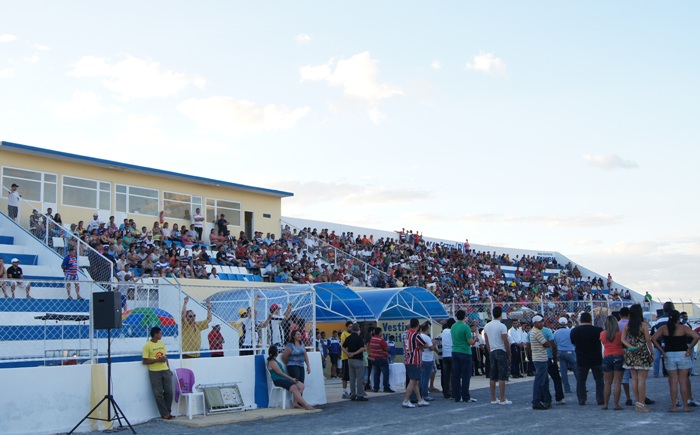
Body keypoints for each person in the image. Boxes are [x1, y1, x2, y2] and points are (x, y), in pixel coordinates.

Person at [651, 310, 699, 412]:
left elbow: (654, 339)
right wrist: (689, 349)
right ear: (679, 318)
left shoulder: (664, 328)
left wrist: (662, 351)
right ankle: (686, 406)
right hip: (682, 354)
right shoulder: (683, 328)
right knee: (683, 381)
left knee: (673, 382)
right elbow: (696, 336)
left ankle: (674, 406)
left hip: (669, 355)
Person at [621, 304, 654, 413]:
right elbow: (648, 340)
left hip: (631, 354)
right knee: (642, 380)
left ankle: (637, 403)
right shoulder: (643, 325)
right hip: (642, 352)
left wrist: (630, 347)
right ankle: (641, 403)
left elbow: (623, 339)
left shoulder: (627, 326)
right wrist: (652, 352)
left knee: (634, 379)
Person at [570, 311, 604, 406]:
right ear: (590, 320)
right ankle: (600, 398)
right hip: (596, 358)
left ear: (580, 320)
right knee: (599, 380)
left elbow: (573, 342)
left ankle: (581, 399)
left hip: (581, 358)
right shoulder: (598, 330)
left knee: (581, 380)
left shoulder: (574, 331)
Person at [266, 345, 315, 410]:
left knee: (301, 386)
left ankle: (295, 402)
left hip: (283, 379)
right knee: (294, 387)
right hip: (278, 380)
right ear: (276, 353)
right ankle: (305, 405)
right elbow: (280, 373)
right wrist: (291, 379)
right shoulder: (272, 362)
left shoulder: (275, 361)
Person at [142, 326, 174, 420]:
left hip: (165, 370)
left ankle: (168, 411)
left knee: (169, 391)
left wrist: (168, 369)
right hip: (154, 371)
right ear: (155, 334)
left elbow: (165, 357)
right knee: (158, 393)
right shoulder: (147, 346)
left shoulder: (162, 343)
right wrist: (157, 360)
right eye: (160, 333)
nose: (161, 335)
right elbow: (145, 361)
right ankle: (164, 413)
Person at [483, 306, 511, 405]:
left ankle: (493, 398)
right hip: (501, 350)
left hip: (492, 350)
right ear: (500, 314)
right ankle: (502, 398)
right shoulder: (502, 326)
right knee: (502, 376)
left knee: (493, 375)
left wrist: (489, 349)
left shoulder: (487, 326)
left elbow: (486, 340)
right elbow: (505, 341)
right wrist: (509, 353)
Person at [402, 318, 429, 408]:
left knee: (415, 381)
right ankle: (406, 400)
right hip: (415, 360)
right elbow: (425, 344)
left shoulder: (407, 334)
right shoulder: (415, 335)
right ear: (417, 326)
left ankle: (419, 399)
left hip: (409, 359)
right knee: (413, 381)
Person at [451, 309, 476, 403]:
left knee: (456, 375)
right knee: (466, 376)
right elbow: (469, 341)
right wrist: (474, 340)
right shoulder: (466, 327)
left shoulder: (453, 326)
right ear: (464, 317)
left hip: (455, 351)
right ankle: (466, 396)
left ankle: (457, 396)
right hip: (465, 351)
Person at [600, 315, 625, 410]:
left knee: (607, 382)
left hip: (607, 357)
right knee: (617, 382)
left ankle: (605, 404)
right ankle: (616, 404)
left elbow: (604, 343)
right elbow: (623, 344)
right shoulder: (620, 334)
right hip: (618, 356)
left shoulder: (602, 334)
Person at [529, 315, 551, 410]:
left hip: (539, 358)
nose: (541, 323)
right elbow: (546, 344)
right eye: (539, 322)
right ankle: (536, 401)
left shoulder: (534, 332)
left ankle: (543, 399)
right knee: (540, 381)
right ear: (534, 323)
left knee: (543, 380)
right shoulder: (537, 332)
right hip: (540, 358)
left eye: (542, 321)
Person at [342, 323, 367, 402]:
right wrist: (355, 353)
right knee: (359, 378)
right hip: (358, 359)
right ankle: (360, 394)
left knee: (352, 378)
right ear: (358, 329)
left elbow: (342, 346)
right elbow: (362, 348)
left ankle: (353, 394)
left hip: (349, 360)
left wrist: (348, 353)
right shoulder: (359, 338)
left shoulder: (348, 338)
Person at [553, 317, 577, 394]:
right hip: (570, 351)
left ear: (559, 323)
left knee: (563, 372)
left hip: (560, 352)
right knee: (576, 370)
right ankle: (581, 386)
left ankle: (567, 389)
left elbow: (555, 343)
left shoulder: (556, 333)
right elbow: (574, 342)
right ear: (566, 323)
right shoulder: (570, 331)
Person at [369, 327, 393, 392]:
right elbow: (387, 348)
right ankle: (386, 387)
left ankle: (376, 387)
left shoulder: (372, 339)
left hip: (374, 358)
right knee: (385, 374)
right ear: (379, 332)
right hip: (382, 358)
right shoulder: (381, 340)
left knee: (376, 374)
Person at [436, 319, 455, 399]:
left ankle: (446, 393)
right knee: (454, 375)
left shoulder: (443, 332)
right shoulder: (453, 332)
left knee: (445, 375)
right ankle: (454, 392)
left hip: (444, 355)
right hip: (452, 354)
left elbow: (437, 339)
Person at [419, 322, 436, 401]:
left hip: (422, 358)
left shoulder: (419, 336)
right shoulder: (426, 337)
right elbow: (431, 348)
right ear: (427, 329)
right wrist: (434, 343)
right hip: (428, 359)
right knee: (426, 377)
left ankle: (421, 392)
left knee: (422, 377)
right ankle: (425, 394)